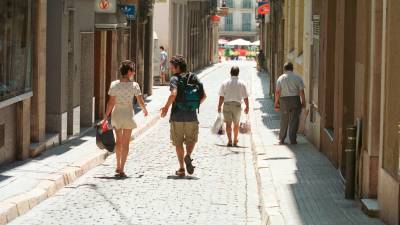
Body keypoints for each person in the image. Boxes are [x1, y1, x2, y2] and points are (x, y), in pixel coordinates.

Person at [160, 55, 206, 177]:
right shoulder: (193, 77)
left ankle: (181, 168)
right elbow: (204, 96)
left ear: (178, 67)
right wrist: (193, 106)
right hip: (191, 116)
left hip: (177, 116)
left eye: (172, 67)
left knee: (178, 142)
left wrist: (165, 108)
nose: (171, 69)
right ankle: (188, 156)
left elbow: (173, 94)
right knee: (191, 140)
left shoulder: (174, 79)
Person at [104, 60, 149, 177]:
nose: (134, 72)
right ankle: (122, 168)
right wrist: (144, 110)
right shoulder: (134, 85)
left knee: (118, 141)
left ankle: (117, 165)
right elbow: (140, 100)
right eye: (133, 70)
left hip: (117, 114)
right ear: (128, 72)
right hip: (128, 115)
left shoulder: (114, 84)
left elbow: (110, 103)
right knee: (125, 143)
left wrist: (105, 117)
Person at [274, 62, 306, 145]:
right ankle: (293, 140)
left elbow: (277, 92)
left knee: (284, 120)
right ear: (292, 68)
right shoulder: (297, 77)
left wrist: (276, 103)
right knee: (294, 120)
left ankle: (281, 139)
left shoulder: (281, 78)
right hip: (295, 100)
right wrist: (303, 102)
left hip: (284, 101)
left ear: (284, 69)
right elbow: (301, 91)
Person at [218, 66, 250, 147]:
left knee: (228, 124)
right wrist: (247, 107)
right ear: (238, 73)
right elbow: (245, 97)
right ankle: (235, 140)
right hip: (237, 106)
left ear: (230, 72)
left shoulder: (225, 82)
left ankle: (229, 141)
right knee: (236, 124)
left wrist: (219, 106)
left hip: (227, 105)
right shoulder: (242, 83)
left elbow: (221, 96)